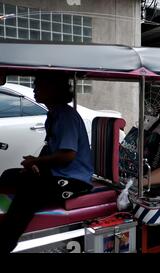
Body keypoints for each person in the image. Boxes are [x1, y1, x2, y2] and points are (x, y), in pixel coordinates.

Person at [0, 73, 94, 253]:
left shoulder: (65, 115)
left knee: (30, 190)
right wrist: (36, 164)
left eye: (40, 85)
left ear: (55, 89)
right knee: (9, 175)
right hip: (58, 174)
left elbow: (68, 155)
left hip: (74, 181)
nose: (35, 89)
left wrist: (38, 161)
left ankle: (5, 242)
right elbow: (52, 150)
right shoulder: (54, 114)